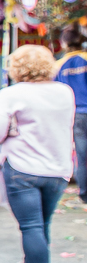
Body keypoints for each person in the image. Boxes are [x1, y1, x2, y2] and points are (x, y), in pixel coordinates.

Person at [0, 44, 75, 263]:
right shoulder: (64, 92)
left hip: (23, 168)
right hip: (58, 168)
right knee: (41, 224)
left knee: (31, 226)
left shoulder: (12, 94)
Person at [53, 28, 87, 196]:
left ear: (64, 43)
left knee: (82, 156)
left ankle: (84, 193)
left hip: (74, 114)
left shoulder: (58, 65)